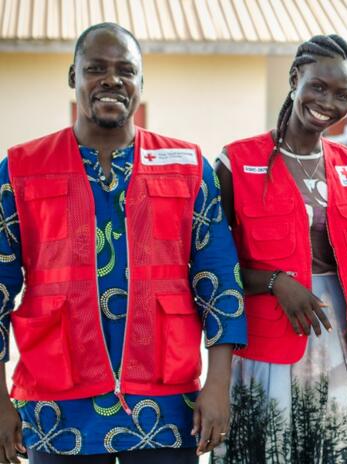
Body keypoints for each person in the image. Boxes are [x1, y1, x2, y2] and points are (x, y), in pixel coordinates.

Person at [0, 23, 246, 464]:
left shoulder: (188, 167)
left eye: (125, 70)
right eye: (96, 68)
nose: (111, 80)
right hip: (57, 402)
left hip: (166, 402)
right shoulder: (20, 169)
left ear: (141, 84)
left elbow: (219, 278)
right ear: (73, 76)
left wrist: (218, 385)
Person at [212, 35, 347, 464]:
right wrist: (274, 283)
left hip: (339, 355)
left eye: (341, 94)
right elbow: (210, 266)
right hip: (264, 353)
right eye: (318, 86)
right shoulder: (236, 162)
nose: (327, 101)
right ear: (295, 79)